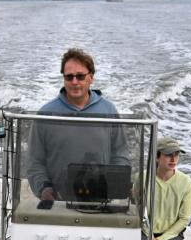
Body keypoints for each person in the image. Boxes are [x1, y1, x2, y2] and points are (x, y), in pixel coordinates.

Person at [27, 48, 128, 201]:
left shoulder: (109, 111)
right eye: (69, 77)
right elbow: (35, 162)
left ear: (91, 78)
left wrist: (115, 187)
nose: (74, 82)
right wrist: (44, 189)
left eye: (80, 76)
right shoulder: (45, 114)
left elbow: (120, 154)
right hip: (59, 201)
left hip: (101, 199)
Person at [141, 136, 191, 240]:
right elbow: (137, 210)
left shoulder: (186, 182)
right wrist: (149, 235)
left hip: (173, 232)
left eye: (176, 154)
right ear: (157, 157)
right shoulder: (144, 177)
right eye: (168, 154)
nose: (173, 159)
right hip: (145, 230)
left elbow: (184, 219)